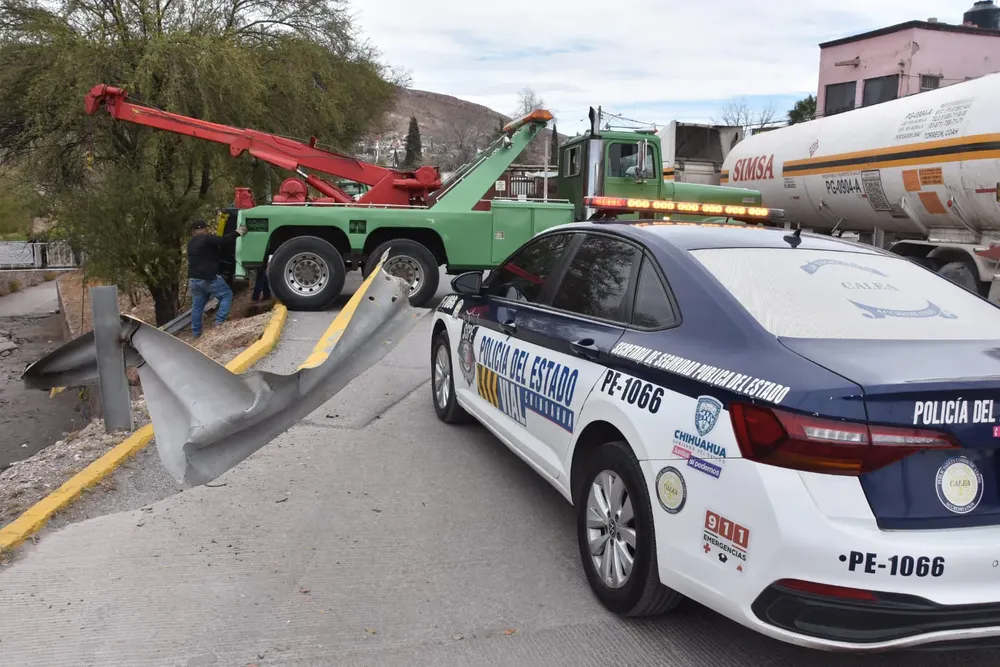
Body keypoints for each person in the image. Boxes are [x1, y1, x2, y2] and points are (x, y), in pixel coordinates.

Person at [187, 218, 247, 338]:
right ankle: (219, 323)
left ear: (194, 231)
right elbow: (224, 240)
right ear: (205, 228)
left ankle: (196, 333)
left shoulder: (191, 243)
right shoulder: (207, 238)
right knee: (226, 295)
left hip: (193, 279)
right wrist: (238, 232)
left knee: (197, 307)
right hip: (208, 278)